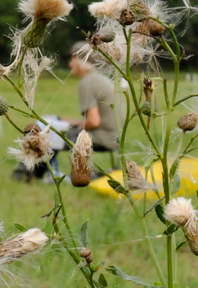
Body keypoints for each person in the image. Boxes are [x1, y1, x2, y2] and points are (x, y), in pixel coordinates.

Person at [14, 41, 121, 183]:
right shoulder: (101, 79)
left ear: (80, 60)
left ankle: (27, 175)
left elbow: (93, 122)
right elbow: (96, 118)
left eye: (72, 59)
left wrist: (63, 128)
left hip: (102, 138)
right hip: (115, 136)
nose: (70, 65)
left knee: (49, 134)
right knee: (54, 127)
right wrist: (64, 121)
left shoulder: (87, 83)